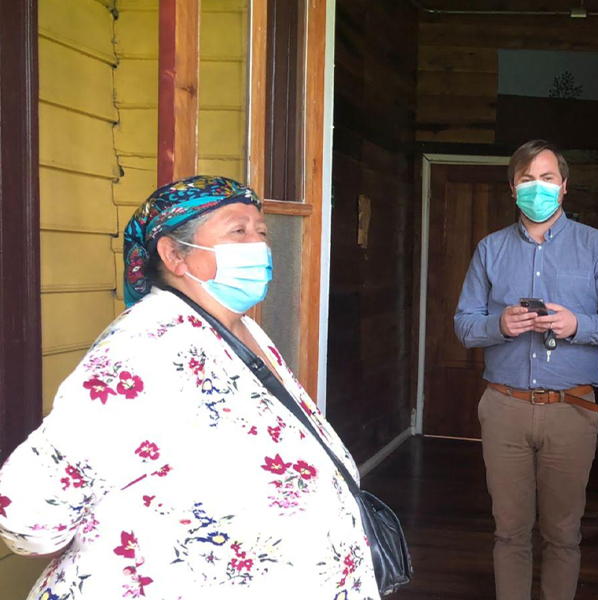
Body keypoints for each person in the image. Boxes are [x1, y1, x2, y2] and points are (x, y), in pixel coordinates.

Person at [0, 176, 380, 599]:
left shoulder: (239, 328)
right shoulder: (146, 345)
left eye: (261, 231)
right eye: (238, 231)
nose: (258, 244)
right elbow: (29, 511)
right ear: (174, 255)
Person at [455, 139, 598, 600]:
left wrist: (579, 324)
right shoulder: (490, 249)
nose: (537, 188)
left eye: (547, 178)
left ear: (564, 186)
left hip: (571, 410)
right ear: (512, 188)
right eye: (526, 180)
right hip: (504, 407)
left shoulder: (597, 247)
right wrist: (499, 325)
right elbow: (464, 324)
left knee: (563, 534)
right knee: (509, 532)